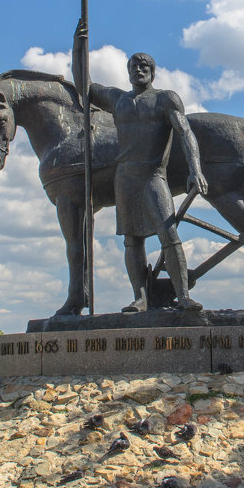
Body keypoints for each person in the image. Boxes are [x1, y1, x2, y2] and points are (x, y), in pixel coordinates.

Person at [73, 20, 208, 312]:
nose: (138, 70)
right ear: (128, 72)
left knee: (169, 236)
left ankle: (182, 295)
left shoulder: (165, 99)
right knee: (132, 241)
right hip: (125, 178)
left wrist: (196, 168)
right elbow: (83, 86)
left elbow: (185, 133)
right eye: (134, 66)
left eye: (144, 66)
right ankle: (141, 297)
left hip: (153, 177)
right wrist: (79, 47)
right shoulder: (118, 99)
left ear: (152, 72)